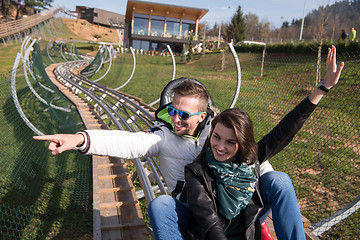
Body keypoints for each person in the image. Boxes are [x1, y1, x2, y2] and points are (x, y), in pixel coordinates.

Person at [33, 46, 344, 240]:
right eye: (172, 110)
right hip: (196, 209)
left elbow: (271, 142)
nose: (176, 118)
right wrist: (78, 138)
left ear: (203, 116)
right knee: (161, 203)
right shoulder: (164, 138)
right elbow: (127, 142)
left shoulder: (219, 131)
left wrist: (321, 89)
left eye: (184, 114)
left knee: (277, 179)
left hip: (237, 204)